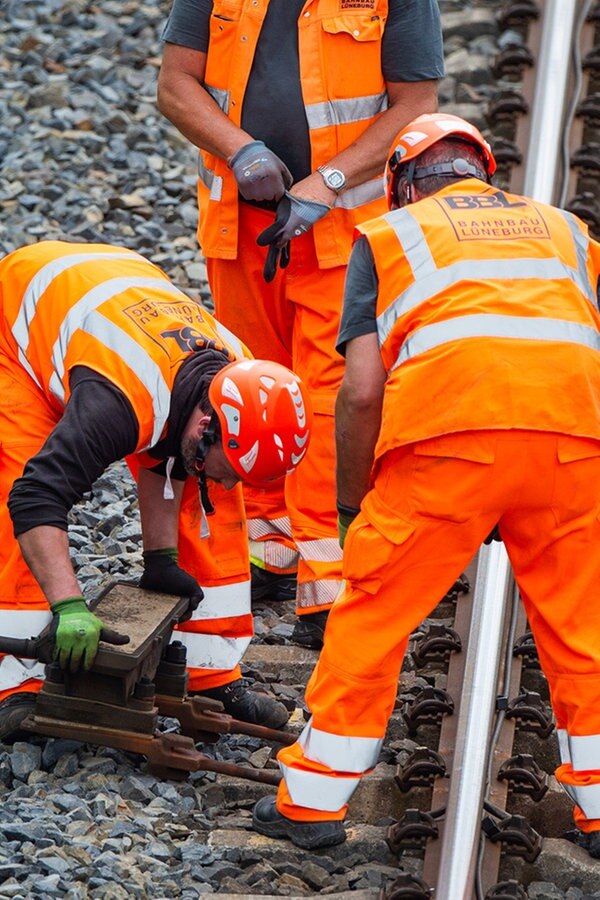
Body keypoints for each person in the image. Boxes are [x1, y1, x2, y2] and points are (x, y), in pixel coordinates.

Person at [250, 113, 600, 859]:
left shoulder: (390, 238)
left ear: (405, 184)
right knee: (582, 631)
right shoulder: (566, 231)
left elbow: (363, 393)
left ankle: (311, 804)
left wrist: (351, 505)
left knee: (373, 617)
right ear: (483, 175)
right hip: (573, 445)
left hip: (448, 446)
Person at [156, 0, 445, 649]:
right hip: (242, 226)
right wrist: (240, 149)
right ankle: (270, 552)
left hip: (344, 233)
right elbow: (176, 84)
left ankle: (328, 580)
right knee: (246, 386)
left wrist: (328, 182)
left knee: (326, 398)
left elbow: (415, 103)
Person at [0, 240, 312, 741]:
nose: (231, 480)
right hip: (17, 316)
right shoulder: (117, 402)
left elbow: (167, 451)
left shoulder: (237, 375)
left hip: (118, 283)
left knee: (207, 491)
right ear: (207, 421)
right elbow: (37, 498)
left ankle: (210, 673)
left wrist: (161, 559)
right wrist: (68, 605)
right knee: (14, 478)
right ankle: (14, 679)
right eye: (229, 464)